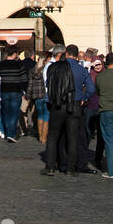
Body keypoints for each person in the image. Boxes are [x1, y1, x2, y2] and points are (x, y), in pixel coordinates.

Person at [43, 45, 81, 176]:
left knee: (53, 136)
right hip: (73, 105)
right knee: (72, 137)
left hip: (57, 105)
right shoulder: (76, 68)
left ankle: (50, 167)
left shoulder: (52, 68)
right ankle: (70, 168)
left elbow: (48, 86)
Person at [0, 46, 28, 142]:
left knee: (6, 113)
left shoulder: (0, 65)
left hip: (4, 92)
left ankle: (8, 132)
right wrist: (26, 92)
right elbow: (24, 80)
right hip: (16, 92)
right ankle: (11, 133)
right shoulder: (19, 65)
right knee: (15, 113)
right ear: (14, 54)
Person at [27, 55, 50, 144]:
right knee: (46, 115)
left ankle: (40, 136)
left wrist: (28, 95)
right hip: (46, 94)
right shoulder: (47, 69)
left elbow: (30, 84)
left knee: (40, 115)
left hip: (36, 95)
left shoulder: (32, 70)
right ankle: (44, 137)